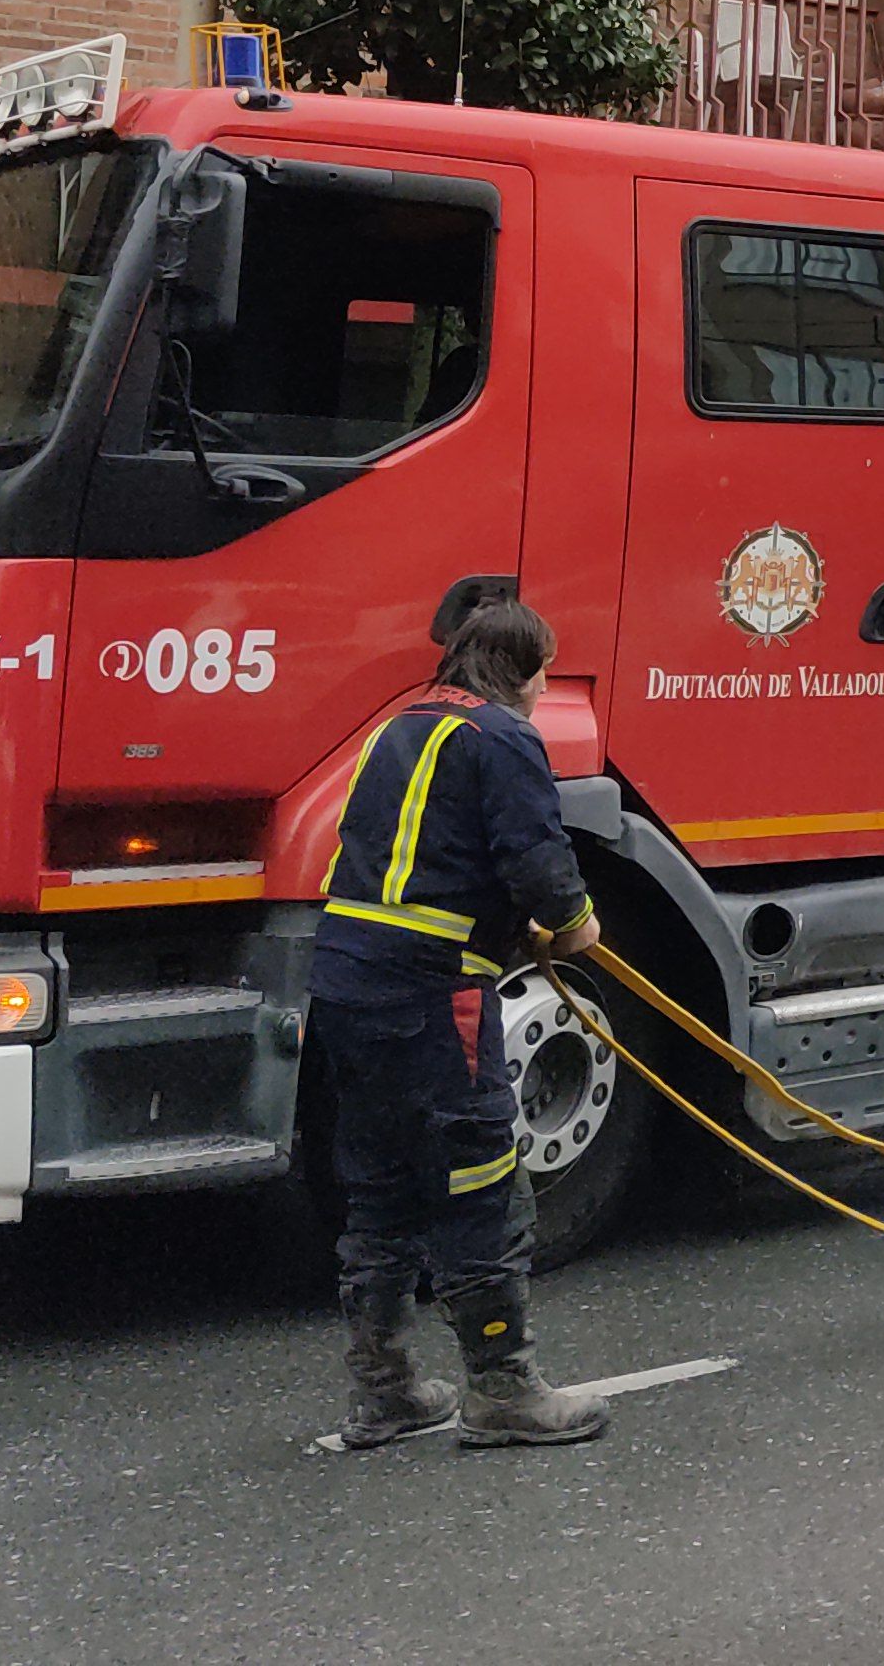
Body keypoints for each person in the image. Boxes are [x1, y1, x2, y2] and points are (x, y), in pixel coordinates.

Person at [308, 597, 612, 1450]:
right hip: (434, 992)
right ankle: (502, 1388)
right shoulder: (504, 737)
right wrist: (576, 923)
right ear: (524, 669)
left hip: (345, 980)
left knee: (381, 1181)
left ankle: (388, 1388)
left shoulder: (397, 727)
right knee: (480, 1178)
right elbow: (536, 860)